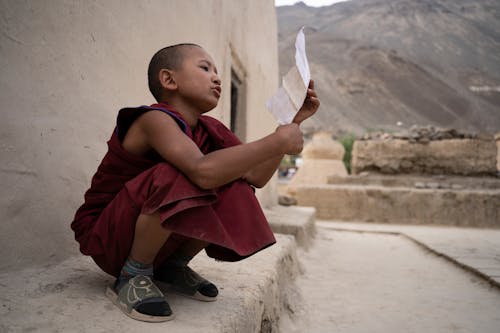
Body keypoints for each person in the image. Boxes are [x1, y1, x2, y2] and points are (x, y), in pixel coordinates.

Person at [71, 43, 319, 322]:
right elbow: (201, 171)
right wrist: (277, 141)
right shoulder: (154, 119)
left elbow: (256, 177)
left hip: (160, 241)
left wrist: (290, 123)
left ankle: (172, 266)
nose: (217, 77)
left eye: (216, 71)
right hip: (109, 238)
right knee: (181, 173)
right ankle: (133, 274)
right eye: (204, 68)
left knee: (232, 182)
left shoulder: (211, 130)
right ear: (169, 79)